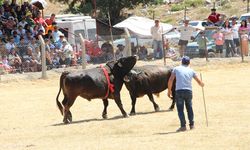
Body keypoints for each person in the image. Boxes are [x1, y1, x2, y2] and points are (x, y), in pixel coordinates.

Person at [167, 56, 204, 132]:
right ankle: (192, 125)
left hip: (179, 91)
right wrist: (202, 84)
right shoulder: (191, 70)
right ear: (189, 63)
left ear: (181, 62)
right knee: (189, 108)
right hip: (188, 91)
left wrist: (169, 90)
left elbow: (170, 80)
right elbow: (199, 82)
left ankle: (183, 126)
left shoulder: (176, 69)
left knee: (180, 110)